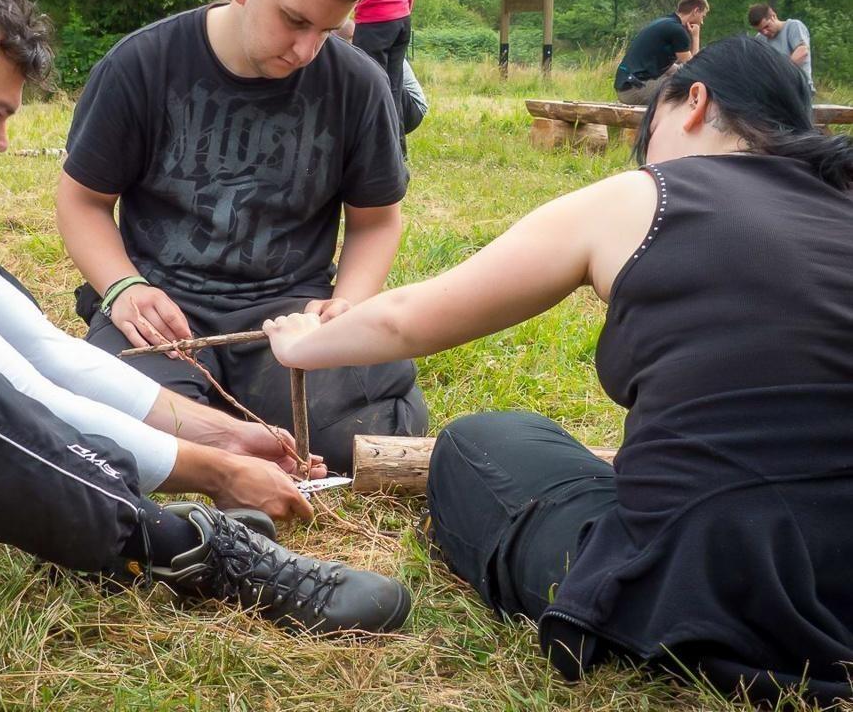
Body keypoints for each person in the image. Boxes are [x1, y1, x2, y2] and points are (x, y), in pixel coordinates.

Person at [0, 0, 412, 635]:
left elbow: (35, 346)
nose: (0, 142)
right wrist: (216, 473)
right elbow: (3, 383)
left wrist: (224, 433)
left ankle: (87, 493)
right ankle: (193, 552)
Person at [265, 36, 853, 702]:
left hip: (707, 588)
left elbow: (406, 319)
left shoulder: (649, 198)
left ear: (694, 101)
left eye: (649, 130)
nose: (647, 153)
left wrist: (300, 345)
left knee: (480, 442)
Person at [56, 0, 428, 476]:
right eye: (294, 20)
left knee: (361, 431)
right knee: (112, 427)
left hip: (288, 318)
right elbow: (81, 200)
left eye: (328, 31)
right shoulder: (141, 65)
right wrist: (123, 287)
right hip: (162, 311)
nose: (305, 50)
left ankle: (229, 420)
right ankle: (210, 426)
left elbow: (376, 220)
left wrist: (345, 307)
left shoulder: (359, 84)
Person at [353, 0, 415, 144]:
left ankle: (372, 151)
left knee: (368, 88)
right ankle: (398, 153)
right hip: (401, 19)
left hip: (374, 21)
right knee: (393, 89)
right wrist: (401, 12)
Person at [334, 18, 428, 134]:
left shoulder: (373, 48)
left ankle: (384, 136)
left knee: (370, 81)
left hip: (413, 106)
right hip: (400, 100)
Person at [614, 0, 709, 105]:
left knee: (679, 72)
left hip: (626, 86)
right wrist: (696, 36)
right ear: (696, 11)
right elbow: (693, 68)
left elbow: (671, 67)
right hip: (634, 90)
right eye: (703, 16)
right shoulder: (677, 31)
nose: (702, 22)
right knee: (690, 89)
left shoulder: (665, 22)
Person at [748, 3, 814, 93]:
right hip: (775, 92)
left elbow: (803, 52)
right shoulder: (760, 39)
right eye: (760, 30)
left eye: (766, 26)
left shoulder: (793, 26)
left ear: (773, 16)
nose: (765, 32)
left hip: (799, 89)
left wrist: (779, 73)